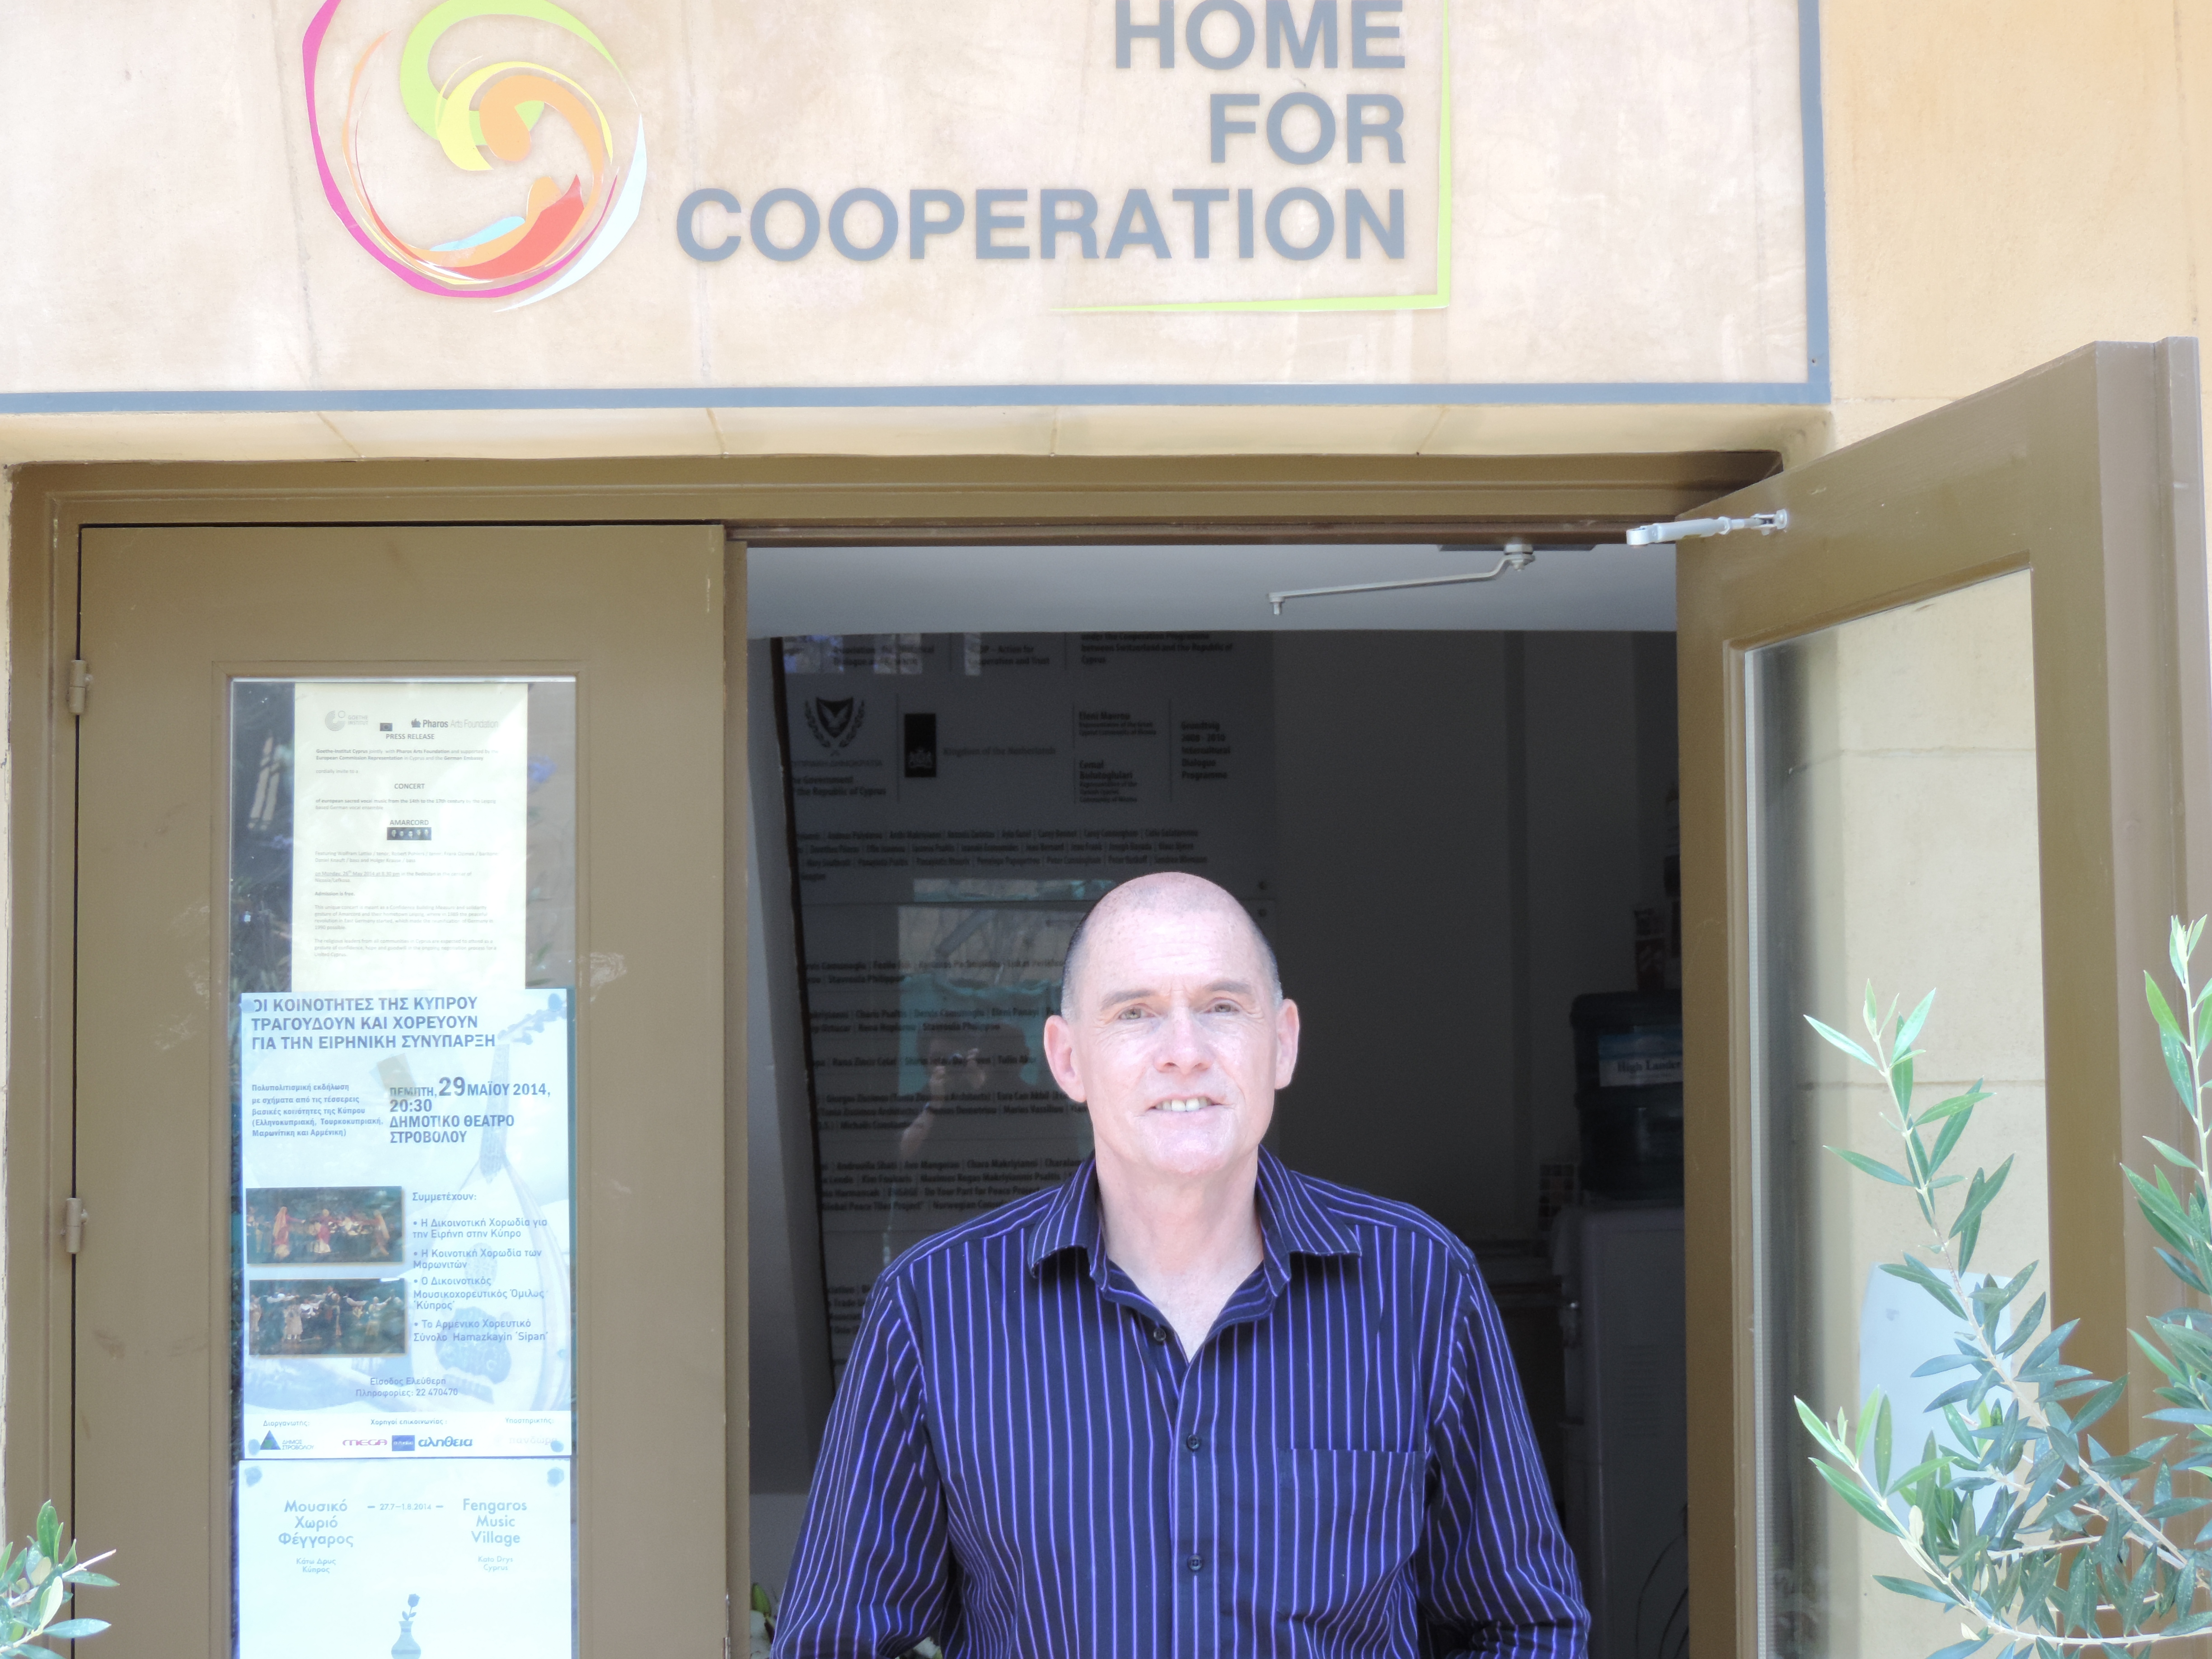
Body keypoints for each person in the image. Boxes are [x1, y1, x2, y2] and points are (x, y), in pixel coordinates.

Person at [776, 872, 1588, 1658]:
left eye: (1222, 1007)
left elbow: (1525, 1626)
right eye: (1135, 1014)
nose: (1184, 1052)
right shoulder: (933, 1309)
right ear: (1067, 1060)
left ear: (1283, 1043)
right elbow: (832, 1644)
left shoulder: (1421, 1287)